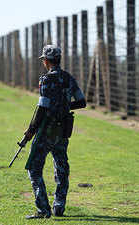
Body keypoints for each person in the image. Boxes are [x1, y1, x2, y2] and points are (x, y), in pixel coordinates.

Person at [24, 45, 86, 219]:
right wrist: (64, 105)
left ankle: (43, 210)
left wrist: (30, 131)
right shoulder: (68, 78)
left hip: (46, 129)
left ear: (46, 61)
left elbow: (42, 108)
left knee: (34, 168)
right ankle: (59, 207)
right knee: (61, 167)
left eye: (43, 59)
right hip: (62, 130)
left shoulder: (46, 80)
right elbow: (82, 102)